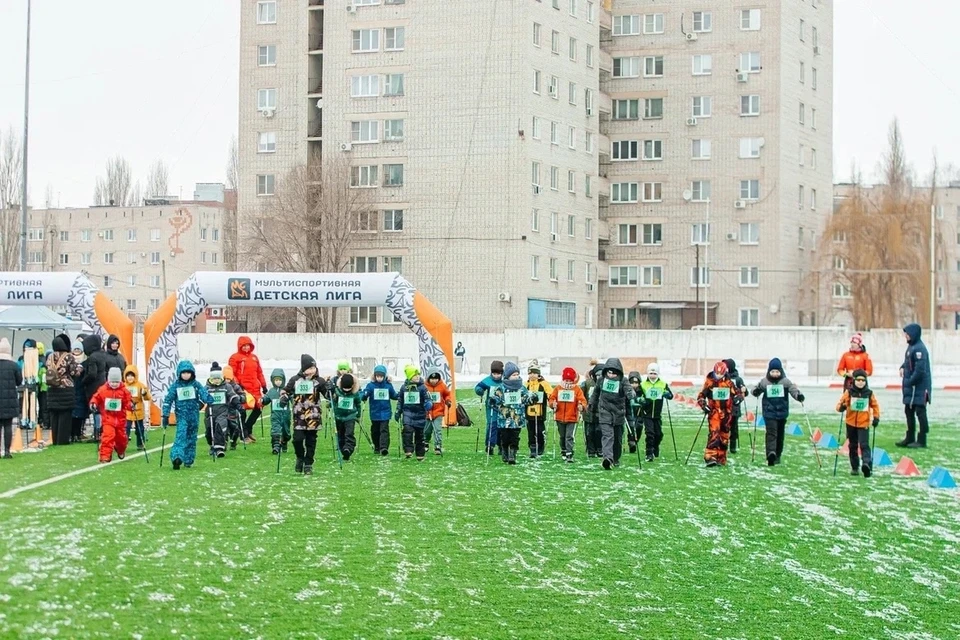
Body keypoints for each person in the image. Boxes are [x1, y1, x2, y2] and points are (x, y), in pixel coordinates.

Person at [161, 360, 215, 470]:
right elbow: (168, 400)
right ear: (179, 373)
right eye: (183, 373)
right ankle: (177, 457)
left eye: (188, 373)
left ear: (192, 373)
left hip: (194, 416)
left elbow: (203, 393)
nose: (186, 375)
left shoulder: (196, 384)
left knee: (192, 438)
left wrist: (208, 399)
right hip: (182, 416)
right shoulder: (176, 386)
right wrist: (165, 415)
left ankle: (188, 460)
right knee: (181, 436)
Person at [750, 358, 804, 466]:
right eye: (772, 372)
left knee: (780, 435)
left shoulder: (785, 382)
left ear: (781, 371)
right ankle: (771, 453)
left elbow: (793, 390)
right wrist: (755, 392)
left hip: (782, 412)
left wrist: (799, 396)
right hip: (769, 412)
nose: (775, 374)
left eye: (777, 372)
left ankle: (778, 454)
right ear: (769, 371)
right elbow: (756, 389)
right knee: (771, 433)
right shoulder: (765, 382)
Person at [281, 354, 329, 475]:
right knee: (297, 440)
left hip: (313, 416)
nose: (312, 370)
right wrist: (284, 398)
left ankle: (308, 464)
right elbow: (286, 392)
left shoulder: (319, 381)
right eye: (309, 368)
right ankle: (300, 457)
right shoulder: (295, 380)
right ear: (304, 368)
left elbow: (328, 396)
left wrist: (330, 389)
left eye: (314, 368)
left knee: (311, 441)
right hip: (299, 416)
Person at [588, 358, 637, 470]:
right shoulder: (601, 380)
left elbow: (630, 391)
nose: (610, 375)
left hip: (618, 413)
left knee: (617, 438)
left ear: (618, 372)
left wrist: (631, 394)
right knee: (607, 436)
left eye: (613, 373)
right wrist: (591, 404)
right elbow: (596, 393)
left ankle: (615, 458)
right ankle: (607, 459)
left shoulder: (623, 381)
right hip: (604, 411)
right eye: (609, 372)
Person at [836, 369, 881, 477]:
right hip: (851, 424)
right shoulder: (849, 392)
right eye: (858, 380)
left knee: (864, 445)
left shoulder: (869, 393)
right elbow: (839, 405)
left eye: (863, 380)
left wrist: (876, 417)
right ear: (854, 380)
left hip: (863, 424)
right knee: (853, 446)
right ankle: (855, 467)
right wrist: (842, 407)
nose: (861, 382)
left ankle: (866, 464)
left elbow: (875, 406)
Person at [697, 361, 742, 467]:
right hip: (714, 412)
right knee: (714, 433)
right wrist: (704, 405)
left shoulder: (729, 383)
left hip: (727, 413)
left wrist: (738, 399)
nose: (718, 376)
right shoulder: (709, 382)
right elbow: (701, 396)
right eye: (717, 374)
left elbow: (738, 393)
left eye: (721, 374)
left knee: (724, 435)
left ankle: (721, 457)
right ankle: (710, 456)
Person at [489, 362, 531, 465]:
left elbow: (526, 400)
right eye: (513, 375)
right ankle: (504, 451)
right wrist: (494, 401)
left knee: (515, 437)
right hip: (504, 418)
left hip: (517, 418)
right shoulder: (501, 388)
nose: (516, 376)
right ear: (508, 376)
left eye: (517, 374)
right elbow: (497, 400)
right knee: (505, 436)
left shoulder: (522, 388)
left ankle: (513, 453)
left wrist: (532, 398)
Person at [44, 334, 82, 446]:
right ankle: (63, 440)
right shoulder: (68, 357)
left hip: (52, 389)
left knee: (54, 416)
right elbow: (74, 372)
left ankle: (55, 439)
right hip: (65, 389)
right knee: (65, 416)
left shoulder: (50, 357)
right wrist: (80, 369)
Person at [897, 323, 931, 449]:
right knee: (908, 411)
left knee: (920, 412)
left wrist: (910, 381)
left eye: (907, 333)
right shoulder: (911, 347)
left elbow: (920, 370)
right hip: (912, 389)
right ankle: (910, 437)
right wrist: (902, 367)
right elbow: (908, 362)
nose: (906, 336)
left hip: (919, 388)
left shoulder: (919, 349)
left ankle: (922, 439)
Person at [89, 367, 133, 464]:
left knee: (122, 438)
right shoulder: (103, 390)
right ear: (108, 381)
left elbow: (128, 401)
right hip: (108, 419)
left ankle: (120, 449)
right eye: (112, 382)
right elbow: (96, 397)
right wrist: (93, 403)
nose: (114, 384)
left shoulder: (124, 391)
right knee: (108, 437)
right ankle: (104, 456)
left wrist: (131, 405)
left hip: (120, 420)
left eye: (116, 382)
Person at [229, 336, 267, 444]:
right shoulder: (235, 358)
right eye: (244, 346)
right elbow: (232, 373)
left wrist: (263, 385)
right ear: (240, 346)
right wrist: (237, 385)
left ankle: (248, 428)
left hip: (255, 388)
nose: (246, 348)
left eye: (248, 345)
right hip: (243, 388)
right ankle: (243, 435)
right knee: (243, 410)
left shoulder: (254, 357)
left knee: (259, 408)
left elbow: (259, 372)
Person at [635, 363, 674, 462]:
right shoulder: (643, 384)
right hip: (646, 413)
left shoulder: (663, 384)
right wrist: (640, 400)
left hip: (657, 414)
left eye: (655, 373)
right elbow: (637, 396)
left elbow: (671, 396)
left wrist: (667, 394)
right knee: (650, 433)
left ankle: (655, 447)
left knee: (659, 434)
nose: (652, 375)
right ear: (648, 373)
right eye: (651, 373)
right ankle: (649, 453)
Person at [548, 367, 587, 463]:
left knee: (569, 436)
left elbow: (582, 400)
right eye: (566, 380)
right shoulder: (558, 388)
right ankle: (563, 450)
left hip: (572, 417)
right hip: (559, 416)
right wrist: (553, 404)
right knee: (562, 436)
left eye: (570, 380)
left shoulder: (577, 389)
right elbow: (552, 398)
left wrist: (581, 406)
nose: (568, 382)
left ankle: (569, 453)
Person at [396, 365, 433, 460]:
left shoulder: (422, 388)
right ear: (409, 376)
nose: (417, 377)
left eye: (418, 375)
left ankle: (420, 454)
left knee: (420, 435)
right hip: (407, 414)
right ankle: (408, 450)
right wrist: (398, 411)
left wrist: (428, 403)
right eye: (414, 375)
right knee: (407, 431)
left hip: (420, 415)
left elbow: (428, 398)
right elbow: (400, 400)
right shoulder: (404, 388)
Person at [204, 362, 240, 458]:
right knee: (209, 431)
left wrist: (237, 403)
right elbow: (202, 398)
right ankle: (212, 445)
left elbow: (232, 395)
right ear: (211, 379)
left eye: (218, 378)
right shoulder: (207, 387)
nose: (216, 380)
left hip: (222, 412)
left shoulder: (226, 386)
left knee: (220, 428)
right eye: (214, 378)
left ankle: (219, 448)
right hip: (210, 413)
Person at [361, 364, 397, 456]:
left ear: (384, 376)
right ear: (375, 376)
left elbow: (393, 395)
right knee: (375, 430)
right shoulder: (371, 385)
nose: (379, 378)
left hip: (385, 412)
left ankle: (384, 447)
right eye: (378, 376)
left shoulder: (388, 386)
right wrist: (364, 395)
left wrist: (401, 395)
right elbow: (364, 394)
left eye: (381, 376)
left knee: (384, 430)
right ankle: (377, 446)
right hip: (375, 413)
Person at [81, 334, 109, 440]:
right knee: (103, 410)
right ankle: (102, 431)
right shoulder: (103, 354)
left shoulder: (92, 357)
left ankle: (97, 432)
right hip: (103, 384)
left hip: (94, 386)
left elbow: (92, 374)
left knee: (96, 410)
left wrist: (84, 381)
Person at [474, 360, 504, 456]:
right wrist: (480, 391)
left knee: (502, 426)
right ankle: (490, 445)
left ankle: (501, 445)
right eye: (494, 373)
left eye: (498, 374)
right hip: (491, 407)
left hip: (503, 407)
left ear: (502, 373)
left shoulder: (505, 381)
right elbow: (478, 387)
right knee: (492, 425)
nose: (496, 376)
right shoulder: (488, 380)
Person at [0, 338, 23, 458]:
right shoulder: (14, 366)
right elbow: (19, 382)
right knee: (8, 425)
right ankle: (7, 451)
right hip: (10, 399)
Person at [332, 373, 362, 461]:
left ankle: (348, 448)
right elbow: (334, 402)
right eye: (345, 389)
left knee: (349, 433)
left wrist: (358, 415)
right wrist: (330, 404)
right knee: (340, 435)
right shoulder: (337, 392)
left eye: (348, 389)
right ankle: (343, 450)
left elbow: (358, 404)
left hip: (350, 416)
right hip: (339, 417)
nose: (346, 391)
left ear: (352, 386)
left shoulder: (355, 393)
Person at [524, 365, 553, 458]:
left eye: (534, 373)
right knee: (531, 431)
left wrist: (551, 402)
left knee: (540, 431)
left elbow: (550, 394)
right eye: (530, 373)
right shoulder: (526, 384)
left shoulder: (544, 384)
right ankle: (532, 448)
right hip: (529, 413)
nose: (532, 375)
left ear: (538, 374)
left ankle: (540, 446)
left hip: (540, 413)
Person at [261, 368, 291, 455]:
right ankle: (276, 446)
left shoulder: (287, 391)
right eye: (276, 380)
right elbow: (267, 399)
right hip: (275, 415)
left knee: (286, 431)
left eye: (280, 380)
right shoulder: (271, 391)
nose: (278, 382)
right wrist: (262, 400)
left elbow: (293, 399)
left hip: (286, 415)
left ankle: (285, 441)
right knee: (275, 430)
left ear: (283, 380)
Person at [124, 365, 152, 451]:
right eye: (128, 376)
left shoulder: (140, 385)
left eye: (132, 375)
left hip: (138, 410)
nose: (130, 378)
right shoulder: (123, 385)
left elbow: (148, 398)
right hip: (127, 410)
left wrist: (144, 393)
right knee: (126, 428)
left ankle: (140, 443)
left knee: (140, 429)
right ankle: (123, 444)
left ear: (135, 376)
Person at [423, 369, 452, 455]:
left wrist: (448, 401)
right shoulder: (424, 386)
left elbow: (447, 394)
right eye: (432, 379)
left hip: (438, 411)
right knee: (427, 430)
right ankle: (425, 442)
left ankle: (438, 445)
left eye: (436, 379)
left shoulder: (442, 385)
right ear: (428, 378)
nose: (434, 381)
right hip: (427, 412)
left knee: (437, 429)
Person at [722, 359, 747, 453]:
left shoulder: (738, 379)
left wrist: (743, 392)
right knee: (723, 427)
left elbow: (744, 392)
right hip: (723, 407)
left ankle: (733, 446)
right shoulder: (721, 378)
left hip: (734, 409)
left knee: (734, 428)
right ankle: (723, 445)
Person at [222, 365, 246, 448]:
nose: (227, 381)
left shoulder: (236, 387)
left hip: (233, 411)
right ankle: (224, 443)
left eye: (229, 379)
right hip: (223, 411)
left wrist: (238, 398)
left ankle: (233, 442)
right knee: (224, 428)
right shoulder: (221, 387)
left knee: (234, 428)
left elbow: (243, 397)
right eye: (225, 379)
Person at [580, 360, 600, 457]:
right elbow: (581, 395)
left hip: (600, 412)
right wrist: (582, 405)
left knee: (599, 431)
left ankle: (599, 449)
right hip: (588, 412)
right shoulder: (587, 383)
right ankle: (591, 450)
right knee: (589, 432)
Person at [71, 338, 88, 442]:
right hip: (72, 390)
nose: (76, 352)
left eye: (78, 349)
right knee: (73, 414)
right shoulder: (70, 361)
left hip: (82, 390)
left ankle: (79, 432)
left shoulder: (85, 361)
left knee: (81, 414)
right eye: (75, 349)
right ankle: (73, 433)